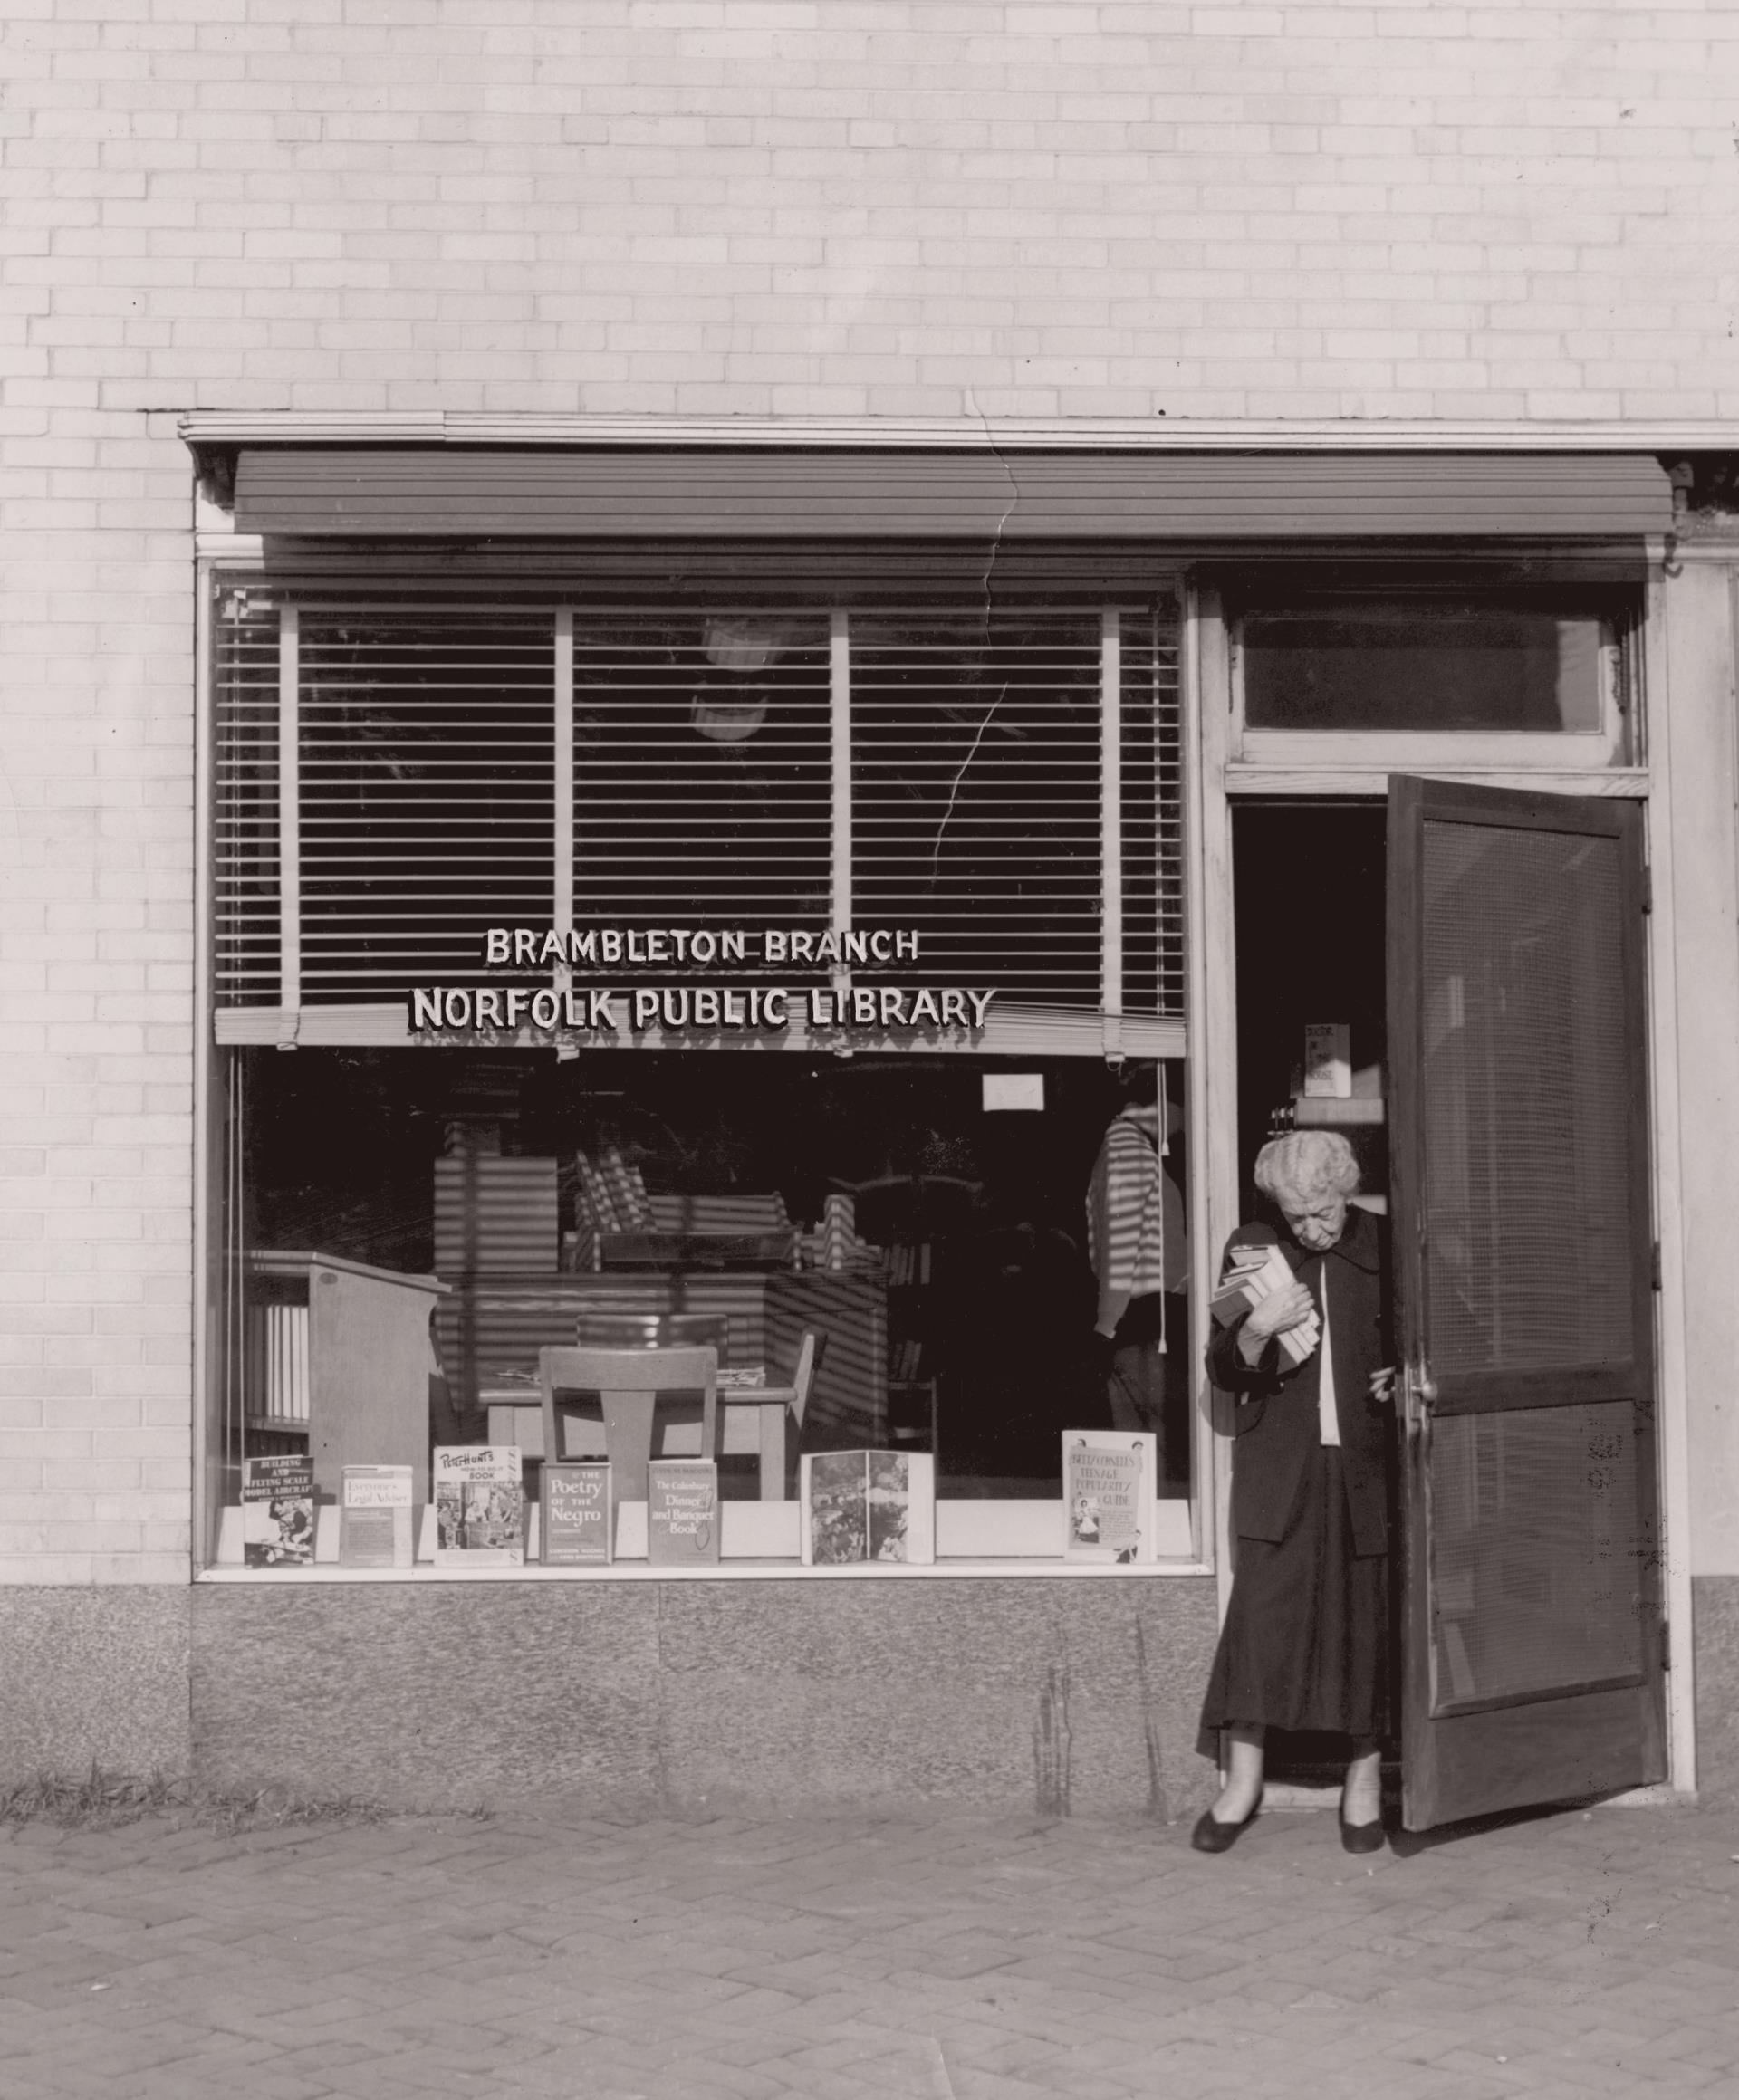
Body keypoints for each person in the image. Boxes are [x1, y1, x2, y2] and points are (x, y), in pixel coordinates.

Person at [1191, 1129, 1395, 1856]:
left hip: (1365, 1465)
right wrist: (1254, 1330)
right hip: (1282, 1464)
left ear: (1347, 1191)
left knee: (1363, 1617)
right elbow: (1223, 1370)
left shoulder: (1387, 1242)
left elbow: (1439, 1336)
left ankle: (1363, 1783)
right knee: (1261, 1618)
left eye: (1322, 1212)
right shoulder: (1254, 1245)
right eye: (1297, 1214)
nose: (1310, 1228)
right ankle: (1242, 1782)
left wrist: (1401, 1372)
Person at [1085, 1067, 1188, 1488]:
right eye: (1178, 1106)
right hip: (1141, 1313)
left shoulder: (1131, 1146)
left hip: (1143, 1311)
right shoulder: (1127, 1146)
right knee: (1142, 1437)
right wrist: (1107, 1324)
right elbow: (1121, 1240)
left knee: (1144, 1435)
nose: (1183, 1118)